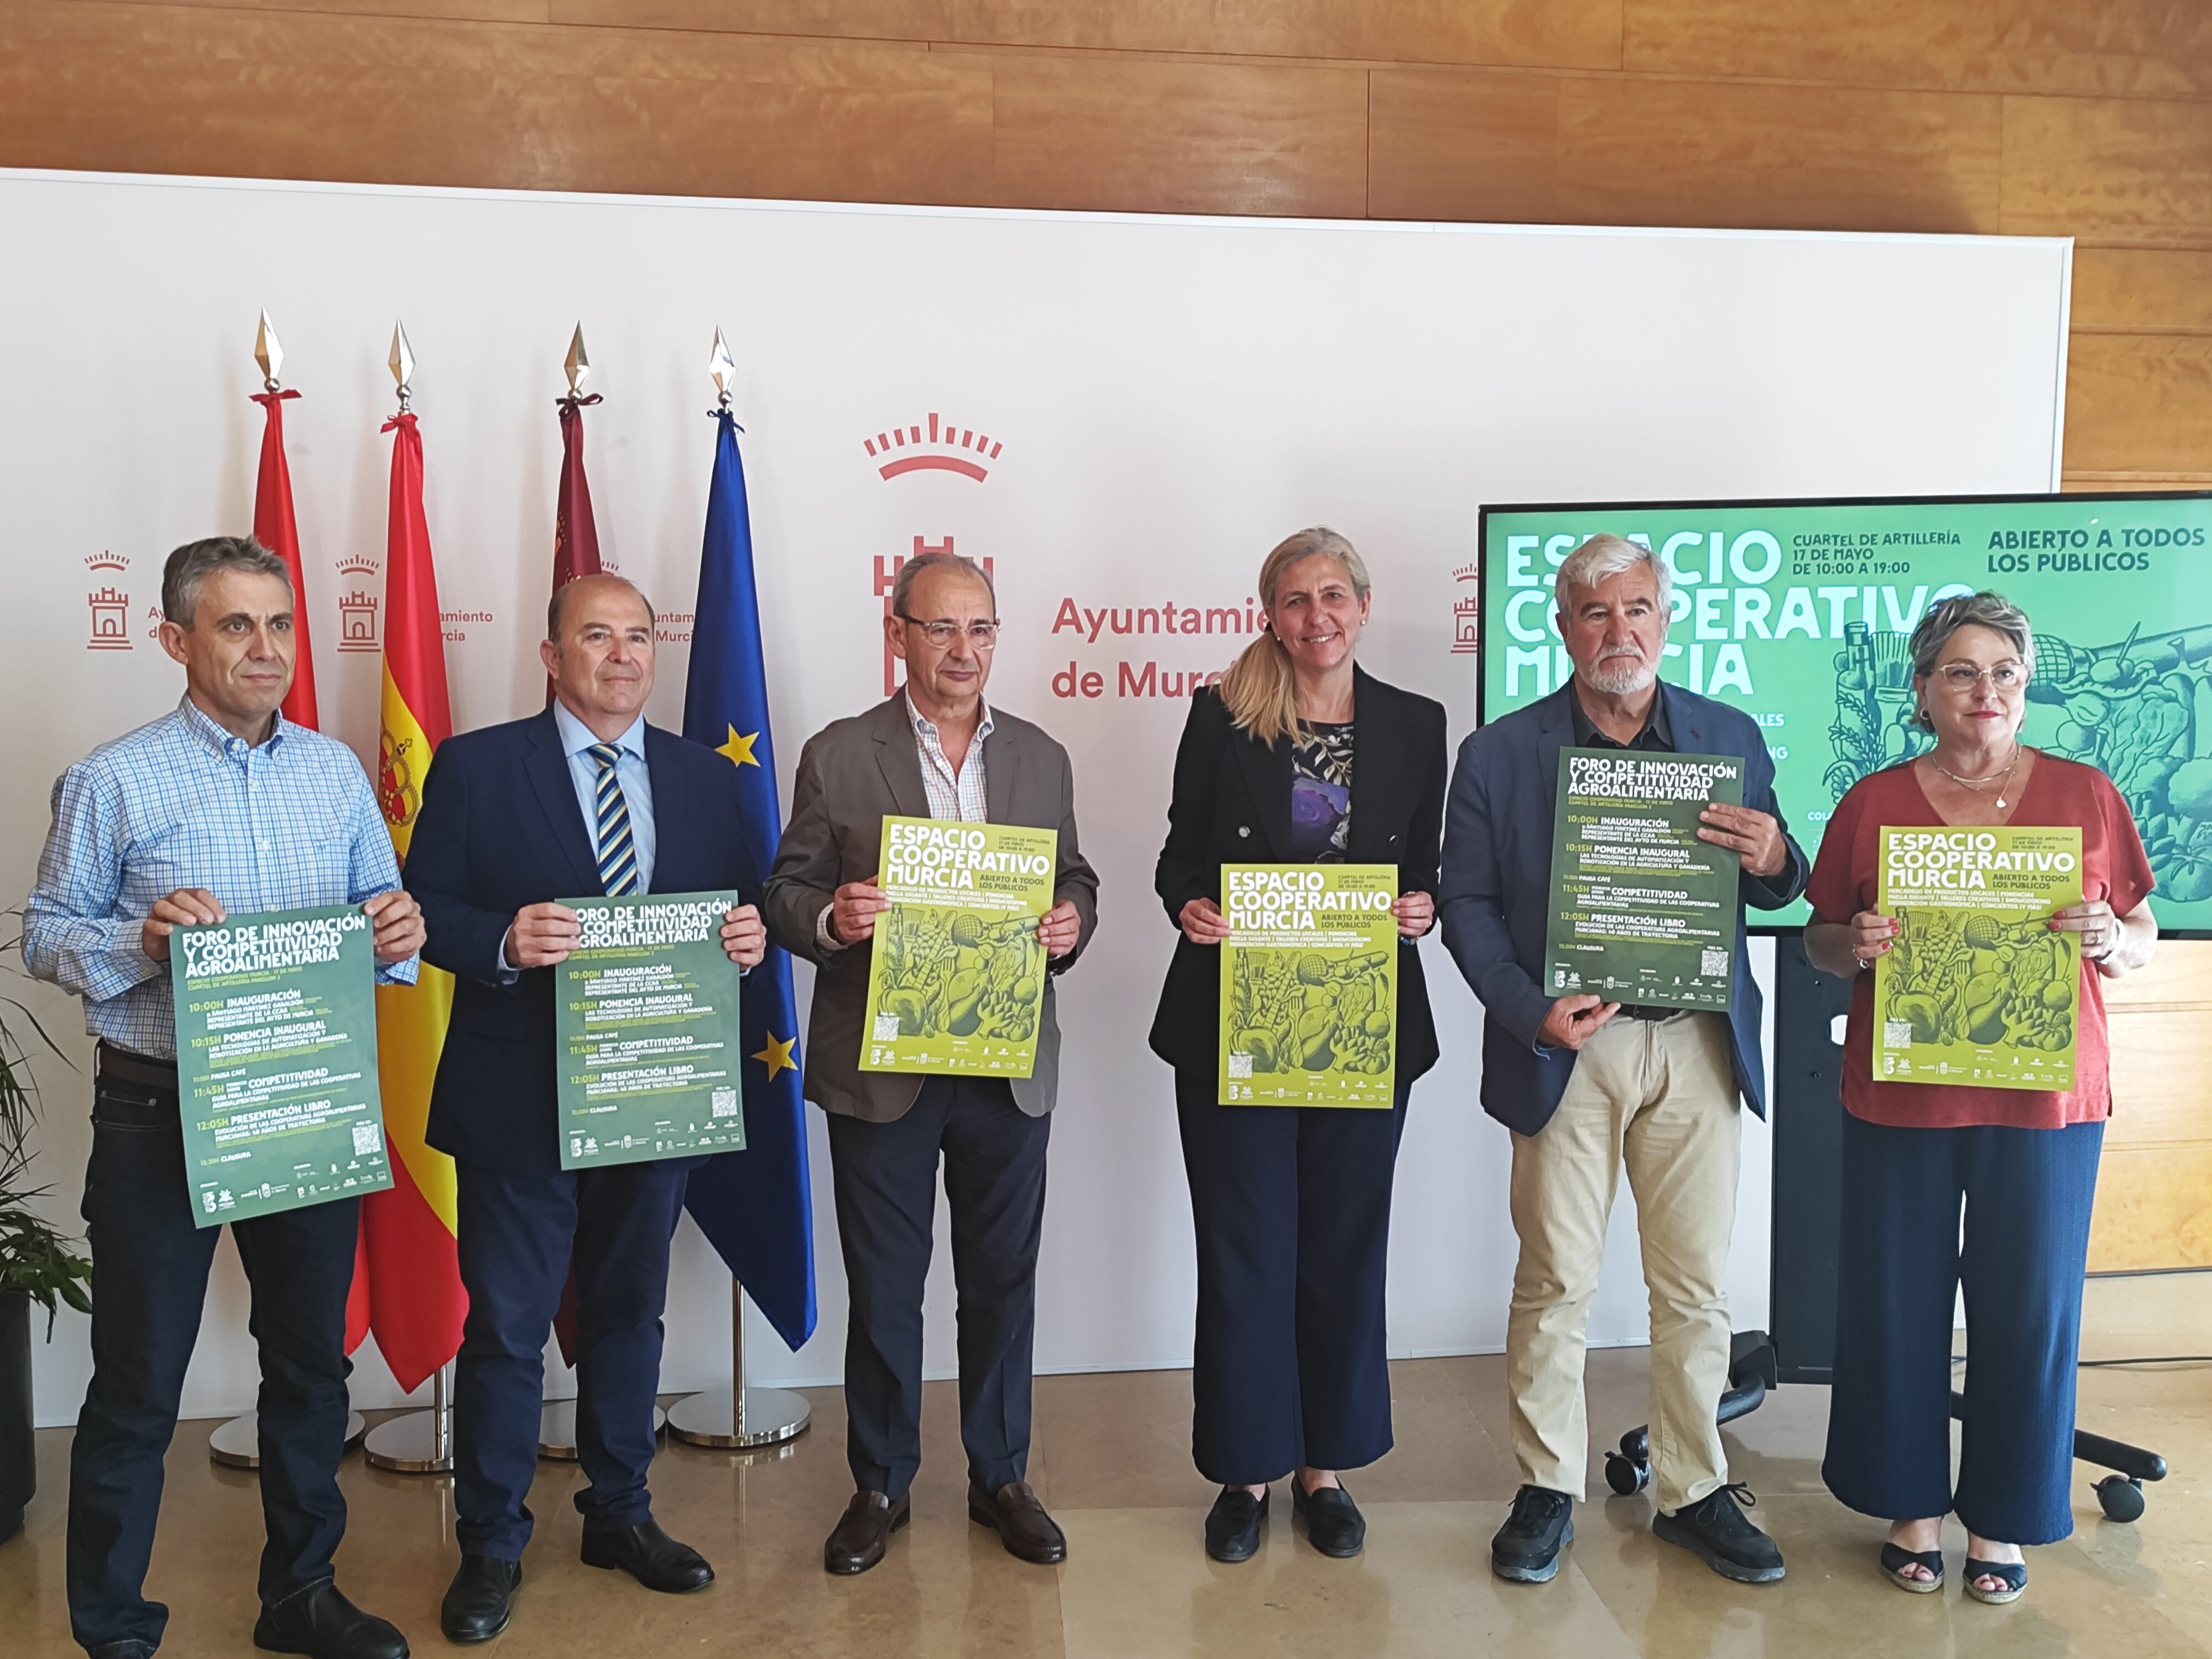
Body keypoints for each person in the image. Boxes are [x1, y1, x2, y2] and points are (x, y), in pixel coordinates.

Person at [25, 536, 424, 1659]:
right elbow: (46, 936)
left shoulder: (333, 773)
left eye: (281, 623)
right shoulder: (114, 779)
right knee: (139, 1382)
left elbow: (381, 913)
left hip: (305, 1093)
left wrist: (401, 929)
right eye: (236, 624)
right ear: (174, 639)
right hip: (160, 1113)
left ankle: (300, 1595)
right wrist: (141, 941)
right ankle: (113, 1628)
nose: (266, 648)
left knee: (309, 1367)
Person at [1438, 533, 1808, 1587]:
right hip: (1571, 1045)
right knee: (1556, 1279)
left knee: (1694, 1285)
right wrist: (1531, 1011)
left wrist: (1776, 854)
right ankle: (1547, 1485)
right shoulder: (1498, 753)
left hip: (1696, 1040)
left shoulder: (1728, 735)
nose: (1619, 631)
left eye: (1636, 609)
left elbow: (1781, 882)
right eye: (1595, 613)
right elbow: (1465, 904)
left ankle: (1693, 1488)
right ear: (1562, 628)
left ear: (1665, 618)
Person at [403, 573, 768, 1642]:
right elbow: (423, 910)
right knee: (508, 1330)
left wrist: (746, 941)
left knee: (627, 1315)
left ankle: (619, 1513)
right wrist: (502, 940)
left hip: (653, 1092)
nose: (621, 655)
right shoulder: (476, 766)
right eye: (596, 635)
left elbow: (736, 910)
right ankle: (491, 1541)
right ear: (551, 655)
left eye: (638, 636)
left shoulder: (705, 777)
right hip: (517, 1100)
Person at [1804, 591, 2155, 1606]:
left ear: (2027, 685)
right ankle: (1907, 1506)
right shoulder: (1873, 801)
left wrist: (2111, 940)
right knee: (1894, 1301)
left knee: (2030, 1310)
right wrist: (1854, 943)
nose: (1985, 690)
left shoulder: (2088, 793)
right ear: (1922, 690)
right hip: (1901, 1098)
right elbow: (1822, 939)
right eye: (1960, 671)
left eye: (2004, 671)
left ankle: (2003, 1517)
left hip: (2045, 1105)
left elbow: (2141, 934)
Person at [764, 550, 1097, 1576]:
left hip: (1007, 1064)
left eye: (980, 628)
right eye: (941, 627)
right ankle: (881, 1482)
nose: (964, 649)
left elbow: (1075, 877)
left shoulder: (1041, 755)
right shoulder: (839, 753)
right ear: (897, 634)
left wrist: (1071, 923)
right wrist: (833, 915)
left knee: (1002, 1282)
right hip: (884, 1066)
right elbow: (786, 892)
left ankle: (1002, 1476)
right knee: (886, 1287)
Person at [1149, 526, 1447, 1563]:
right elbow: (1179, 857)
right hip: (1235, 1023)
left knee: (1342, 1251)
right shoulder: (1223, 714)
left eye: (1332, 596)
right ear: (1269, 616)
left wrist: (1422, 907)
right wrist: (1190, 904)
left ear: (1363, 605)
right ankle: (1245, 1470)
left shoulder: (1417, 723)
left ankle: (1326, 1467)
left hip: (1364, 1022)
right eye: (1294, 600)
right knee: (1245, 1252)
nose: (1316, 617)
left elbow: (1426, 869)